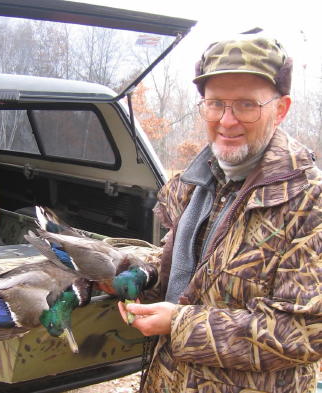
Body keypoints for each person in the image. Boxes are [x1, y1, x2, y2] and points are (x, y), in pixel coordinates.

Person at [118, 36, 322, 393]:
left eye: (246, 104)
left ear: (281, 109)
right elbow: (193, 270)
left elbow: (306, 332)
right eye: (215, 104)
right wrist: (144, 275)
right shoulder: (197, 180)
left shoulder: (309, 202)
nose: (227, 121)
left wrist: (179, 324)